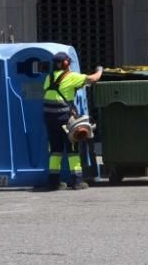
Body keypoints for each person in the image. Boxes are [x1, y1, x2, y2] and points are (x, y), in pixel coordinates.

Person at [38, 51, 103, 191]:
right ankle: (77, 181)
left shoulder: (48, 78)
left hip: (49, 118)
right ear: (66, 63)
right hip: (64, 118)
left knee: (55, 150)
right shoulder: (71, 76)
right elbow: (93, 79)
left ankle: (53, 182)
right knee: (72, 147)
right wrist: (100, 70)